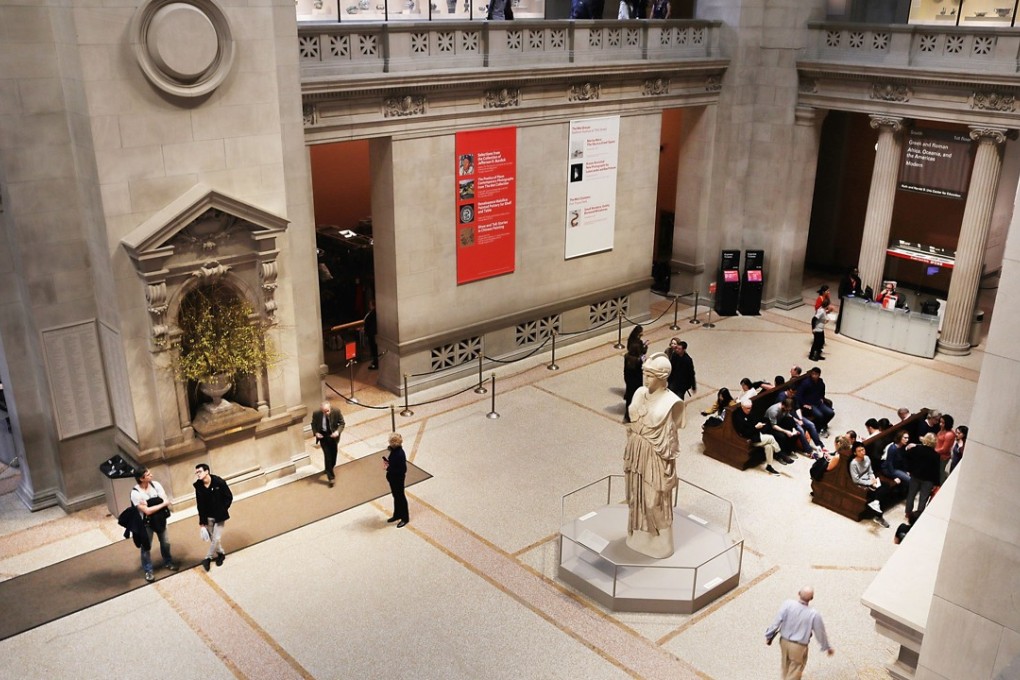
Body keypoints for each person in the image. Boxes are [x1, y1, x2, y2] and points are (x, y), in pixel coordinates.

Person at [624, 352, 684, 558]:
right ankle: (641, 535)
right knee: (634, 496)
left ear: (662, 377)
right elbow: (631, 425)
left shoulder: (672, 401)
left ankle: (662, 540)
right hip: (636, 450)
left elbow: (671, 441)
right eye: (645, 374)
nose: (645, 379)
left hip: (655, 457)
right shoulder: (639, 393)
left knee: (653, 501)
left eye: (650, 375)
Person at [764, 586, 834, 680]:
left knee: (785, 667)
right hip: (799, 646)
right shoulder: (814, 614)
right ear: (811, 598)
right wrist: (826, 647)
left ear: (799, 593)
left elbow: (777, 621)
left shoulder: (787, 604)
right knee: (795, 670)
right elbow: (820, 632)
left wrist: (769, 635)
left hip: (784, 641)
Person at [130, 468, 178, 582]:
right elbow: (147, 511)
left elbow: (165, 500)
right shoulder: (135, 493)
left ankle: (168, 561)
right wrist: (159, 503)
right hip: (146, 523)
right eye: (148, 474)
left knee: (165, 542)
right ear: (141, 479)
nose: (151, 475)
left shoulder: (156, 485)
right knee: (146, 547)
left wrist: (149, 503)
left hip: (160, 519)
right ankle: (148, 570)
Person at [193, 463, 233, 571]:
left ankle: (208, 558)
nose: (198, 474)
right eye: (196, 473)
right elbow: (200, 505)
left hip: (219, 516)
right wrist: (202, 522)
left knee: (216, 538)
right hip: (208, 517)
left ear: (207, 471)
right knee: (213, 538)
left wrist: (223, 509)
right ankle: (221, 554)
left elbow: (229, 497)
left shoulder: (219, 482)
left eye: (199, 472)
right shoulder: (198, 486)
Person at [732, 398, 782, 476]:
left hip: (756, 434)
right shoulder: (739, 417)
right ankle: (780, 454)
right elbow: (744, 433)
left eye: (750, 408)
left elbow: (754, 421)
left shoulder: (750, 412)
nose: (749, 410)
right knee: (771, 438)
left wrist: (759, 425)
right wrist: (755, 427)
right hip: (748, 439)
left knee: (769, 446)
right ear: (742, 407)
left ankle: (769, 466)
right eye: (747, 408)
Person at [849, 442, 894, 528]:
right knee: (879, 493)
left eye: (863, 449)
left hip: (870, 480)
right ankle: (878, 515)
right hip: (861, 483)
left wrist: (873, 479)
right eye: (859, 451)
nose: (862, 452)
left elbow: (870, 471)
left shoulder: (867, 458)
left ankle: (876, 503)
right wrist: (869, 483)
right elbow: (856, 480)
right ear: (855, 453)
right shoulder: (853, 464)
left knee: (886, 486)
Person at [904, 432, 940, 521]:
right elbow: (936, 470)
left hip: (915, 475)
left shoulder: (916, 449)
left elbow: (907, 457)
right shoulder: (936, 455)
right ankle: (918, 516)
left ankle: (908, 513)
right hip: (928, 479)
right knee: (923, 498)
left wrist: (909, 469)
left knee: (911, 495)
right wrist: (936, 483)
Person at [312, 400, 345, 487]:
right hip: (323, 436)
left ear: (330, 408)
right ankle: (331, 477)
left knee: (333, 456)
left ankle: (328, 468)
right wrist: (316, 433)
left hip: (333, 436)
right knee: (327, 456)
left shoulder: (336, 411)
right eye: (324, 411)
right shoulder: (316, 413)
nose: (326, 413)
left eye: (327, 411)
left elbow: (342, 423)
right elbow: (313, 424)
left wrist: (337, 432)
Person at [796, 367, 834, 435]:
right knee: (819, 415)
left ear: (819, 375)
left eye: (816, 374)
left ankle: (823, 426)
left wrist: (822, 398)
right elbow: (799, 395)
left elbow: (822, 390)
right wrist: (803, 404)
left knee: (831, 413)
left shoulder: (820, 382)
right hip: (810, 404)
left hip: (818, 402)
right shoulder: (806, 383)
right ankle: (819, 428)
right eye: (813, 374)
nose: (814, 376)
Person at [383, 433, 409, 527]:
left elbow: (402, 470)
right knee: (396, 496)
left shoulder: (399, 454)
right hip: (393, 478)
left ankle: (405, 518)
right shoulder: (394, 451)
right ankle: (397, 514)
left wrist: (388, 468)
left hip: (398, 479)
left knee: (400, 497)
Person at [622, 326, 645, 423]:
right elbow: (641, 369)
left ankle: (627, 416)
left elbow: (625, 370)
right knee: (636, 398)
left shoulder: (627, 357)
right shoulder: (638, 360)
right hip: (636, 381)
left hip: (629, 380)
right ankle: (635, 414)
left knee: (629, 399)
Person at [835, 266, 862, 334]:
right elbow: (841, 289)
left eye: (857, 272)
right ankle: (838, 327)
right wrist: (841, 296)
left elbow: (858, 290)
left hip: (853, 299)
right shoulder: (845, 279)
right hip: (845, 299)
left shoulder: (858, 280)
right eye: (855, 272)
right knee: (841, 313)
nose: (856, 273)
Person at [934, 413, 956, 483]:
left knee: (940, 472)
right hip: (936, 454)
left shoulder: (949, 434)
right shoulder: (942, 430)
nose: (940, 424)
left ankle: (941, 485)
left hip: (942, 457)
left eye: (943, 423)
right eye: (940, 422)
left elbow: (944, 449)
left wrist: (933, 451)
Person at [364, 299, 379, 370]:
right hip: (372, 333)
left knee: (374, 349)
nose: (369, 306)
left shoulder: (373, 313)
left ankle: (376, 363)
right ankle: (375, 361)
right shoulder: (373, 312)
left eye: (370, 304)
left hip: (372, 333)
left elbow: (368, 322)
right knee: (373, 348)